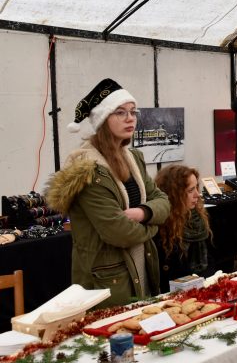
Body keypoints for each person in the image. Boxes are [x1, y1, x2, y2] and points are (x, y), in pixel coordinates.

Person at [46, 79, 170, 307]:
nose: (130, 118)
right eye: (120, 112)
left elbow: (163, 201)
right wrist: (154, 225)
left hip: (142, 263)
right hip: (108, 279)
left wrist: (142, 213)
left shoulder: (133, 158)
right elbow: (119, 232)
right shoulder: (87, 170)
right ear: (102, 119)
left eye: (133, 112)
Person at [153, 165, 214, 284]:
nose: (197, 194)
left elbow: (210, 259)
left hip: (204, 284)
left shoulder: (197, 218)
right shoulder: (162, 226)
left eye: (196, 187)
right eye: (190, 190)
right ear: (174, 194)